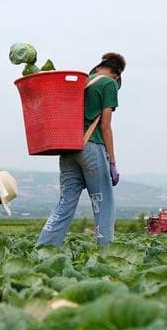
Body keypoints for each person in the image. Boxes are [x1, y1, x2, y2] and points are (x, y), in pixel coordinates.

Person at [36, 52, 125, 247]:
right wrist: (112, 162)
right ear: (117, 75)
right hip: (91, 147)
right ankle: (106, 253)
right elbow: (105, 126)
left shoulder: (81, 82)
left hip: (68, 148)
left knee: (65, 203)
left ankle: (43, 248)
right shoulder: (109, 84)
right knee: (103, 203)